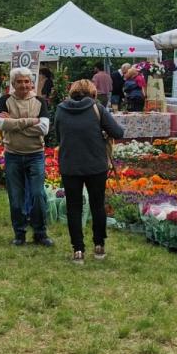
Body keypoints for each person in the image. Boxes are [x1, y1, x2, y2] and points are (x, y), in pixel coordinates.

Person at [54, 79, 126, 263]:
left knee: (74, 207)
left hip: (70, 165)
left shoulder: (61, 109)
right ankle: (99, 245)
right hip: (95, 165)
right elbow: (118, 132)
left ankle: (78, 249)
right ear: (93, 92)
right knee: (97, 205)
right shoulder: (97, 108)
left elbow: (58, 135)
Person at [0, 67, 52, 246]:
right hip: (13, 155)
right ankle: (19, 234)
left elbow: (44, 129)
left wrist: (14, 122)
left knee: (37, 195)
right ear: (13, 84)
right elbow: (0, 123)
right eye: (19, 81)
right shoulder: (5, 100)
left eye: (27, 81)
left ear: (31, 83)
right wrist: (30, 122)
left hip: (35, 155)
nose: (24, 85)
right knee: (16, 197)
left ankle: (40, 233)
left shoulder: (40, 101)